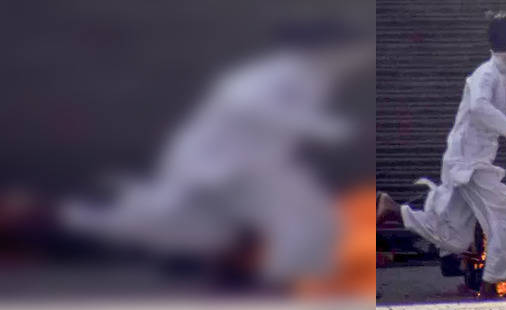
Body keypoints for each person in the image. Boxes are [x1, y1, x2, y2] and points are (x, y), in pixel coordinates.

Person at [59, 18, 372, 288]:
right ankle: (288, 284)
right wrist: (318, 127)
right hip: (229, 166)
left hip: (249, 166)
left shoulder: (312, 78)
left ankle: (84, 220)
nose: (359, 59)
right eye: (355, 50)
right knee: (304, 221)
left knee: (214, 229)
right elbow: (243, 102)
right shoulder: (278, 72)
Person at [377, 11, 506, 299]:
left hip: (470, 158)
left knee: (455, 238)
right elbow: (479, 108)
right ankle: (491, 286)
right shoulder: (487, 74)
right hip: (470, 163)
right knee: (504, 219)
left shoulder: (503, 76)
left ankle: (396, 210)